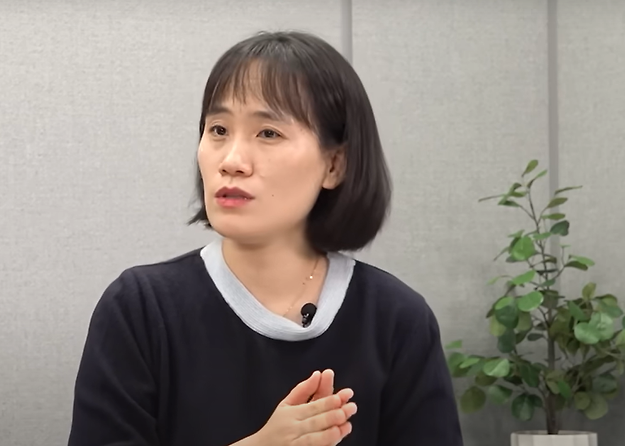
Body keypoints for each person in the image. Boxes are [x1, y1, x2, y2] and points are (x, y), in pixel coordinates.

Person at [67, 31, 463, 446]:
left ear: (334, 165)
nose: (231, 161)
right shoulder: (140, 309)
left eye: (268, 133)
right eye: (218, 129)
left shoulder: (397, 319)